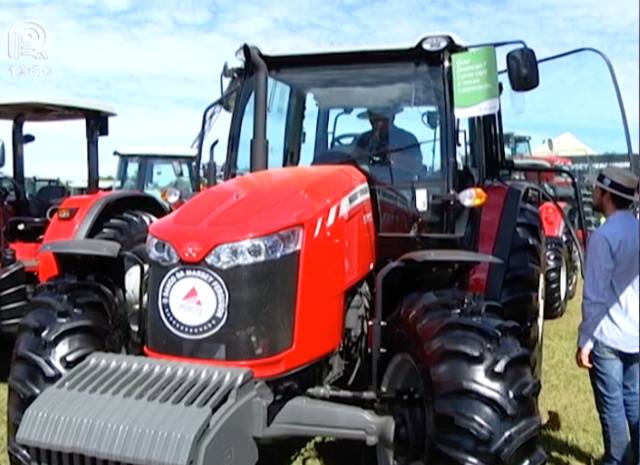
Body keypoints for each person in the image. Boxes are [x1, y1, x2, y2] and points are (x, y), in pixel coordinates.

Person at [576, 166, 639, 465]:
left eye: (596, 190)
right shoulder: (637, 230)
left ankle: (618, 460)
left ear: (607, 194)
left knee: (612, 407)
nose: (592, 194)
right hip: (636, 334)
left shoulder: (604, 236)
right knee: (635, 402)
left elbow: (595, 296)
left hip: (608, 336)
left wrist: (585, 341)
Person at [354, 107, 423, 181]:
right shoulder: (363, 139)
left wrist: (393, 156)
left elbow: (417, 167)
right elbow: (352, 162)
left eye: (383, 118)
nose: (378, 122)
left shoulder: (407, 139)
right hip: (367, 186)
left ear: (392, 117)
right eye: (375, 119)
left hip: (399, 187)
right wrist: (365, 155)